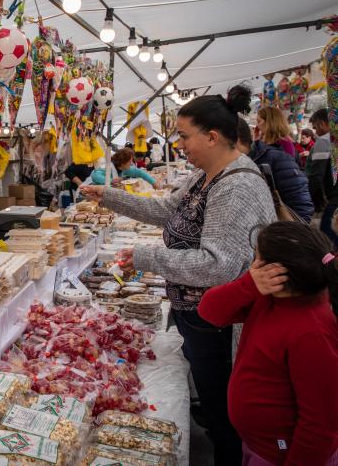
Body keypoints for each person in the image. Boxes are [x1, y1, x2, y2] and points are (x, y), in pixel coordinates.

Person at [80, 86, 276, 466]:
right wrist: (107, 196)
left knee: (226, 417)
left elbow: (216, 264)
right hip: (199, 316)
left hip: (219, 323)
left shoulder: (235, 185)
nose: (180, 144)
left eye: (184, 136)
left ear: (213, 136)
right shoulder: (205, 175)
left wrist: (146, 256)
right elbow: (166, 210)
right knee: (217, 404)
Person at [199, 222, 338, 465]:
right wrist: (248, 285)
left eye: (256, 257)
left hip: (281, 455)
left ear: (273, 271)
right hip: (259, 445)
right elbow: (209, 310)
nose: (252, 266)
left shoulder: (311, 332)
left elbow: (321, 424)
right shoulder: (268, 297)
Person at [236, 116, 314, 222]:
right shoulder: (254, 155)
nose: (257, 125)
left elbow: (302, 210)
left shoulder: (279, 152)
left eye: (259, 121)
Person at [307, 109, 338, 242]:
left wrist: (310, 200)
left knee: (328, 241)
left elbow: (316, 176)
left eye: (315, 128)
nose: (316, 132)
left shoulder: (324, 141)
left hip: (334, 199)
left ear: (322, 124)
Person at [90, 147, 159, 188]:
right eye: (130, 161)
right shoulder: (108, 166)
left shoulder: (124, 169)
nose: (131, 163)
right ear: (123, 162)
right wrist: (110, 180)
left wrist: (153, 182)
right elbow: (95, 175)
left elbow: (139, 172)